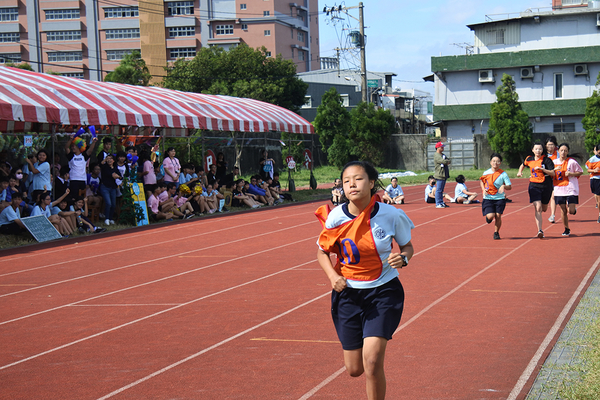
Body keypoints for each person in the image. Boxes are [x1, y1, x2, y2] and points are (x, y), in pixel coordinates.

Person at [315, 161, 414, 400]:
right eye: (347, 180)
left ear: (371, 183)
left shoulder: (391, 215)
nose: (352, 184)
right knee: (354, 369)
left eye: (358, 179)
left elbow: (407, 247)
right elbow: (322, 252)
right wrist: (333, 276)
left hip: (383, 292)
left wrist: (403, 258)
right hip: (348, 293)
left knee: (371, 362)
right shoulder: (336, 217)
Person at [517, 141, 556, 238]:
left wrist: (543, 170)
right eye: (536, 149)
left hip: (546, 186)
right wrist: (519, 172)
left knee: (544, 208)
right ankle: (540, 230)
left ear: (543, 150)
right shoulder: (529, 159)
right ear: (532, 150)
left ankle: (541, 223)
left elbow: (553, 173)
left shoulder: (547, 160)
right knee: (538, 207)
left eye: (540, 149)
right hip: (534, 185)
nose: (538, 151)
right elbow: (523, 164)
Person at [552, 143, 583, 237]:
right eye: (561, 150)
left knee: (571, 210)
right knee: (563, 210)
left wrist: (571, 174)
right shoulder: (554, 162)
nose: (563, 152)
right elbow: (550, 172)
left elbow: (580, 172)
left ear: (568, 151)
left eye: (565, 150)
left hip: (570, 188)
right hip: (559, 188)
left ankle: (573, 210)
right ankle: (566, 229)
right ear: (558, 151)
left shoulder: (572, 162)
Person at [480, 153, 512, 240]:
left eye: (498, 161)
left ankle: (496, 232)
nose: (495, 163)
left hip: (500, 199)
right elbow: (482, 181)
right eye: (494, 161)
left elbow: (509, 186)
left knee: (498, 215)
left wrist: (503, 186)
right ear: (490, 162)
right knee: (491, 216)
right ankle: (488, 218)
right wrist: (483, 189)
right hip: (488, 198)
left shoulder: (503, 174)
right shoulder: (486, 173)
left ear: (500, 163)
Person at [65, 134, 98, 200]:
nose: (72, 147)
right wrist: (70, 140)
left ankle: (82, 210)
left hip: (82, 180)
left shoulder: (84, 156)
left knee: (81, 198)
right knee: (73, 198)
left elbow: (90, 150)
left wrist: (94, 142)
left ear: (79, 146)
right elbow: (66, 148)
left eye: (74, 146)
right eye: (72, 146)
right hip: (73, 180)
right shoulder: (71, 156)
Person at [99, 154, 122, 226]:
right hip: (105, 187)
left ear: (113, 160)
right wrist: (105, 159)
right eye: (107, 158)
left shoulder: (115, 168)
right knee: (108, 203)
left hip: (113, 188)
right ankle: (107, 218)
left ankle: (111, 218)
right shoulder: (104, 167)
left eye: (110, 159)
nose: (109, 160)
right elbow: (101, 164)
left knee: (113, 204)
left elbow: (120, 177)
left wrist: (118, 176)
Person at [433, 142, 451, 208]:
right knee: (439, 189)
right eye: (441, 147)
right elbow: (444, 161)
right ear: (438, 147)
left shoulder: (442, 155)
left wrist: (447, 161)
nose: (443, 148)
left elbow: (448, 160)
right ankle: (438, 203)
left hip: (444, 174)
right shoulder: (437, 155)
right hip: (440, 174)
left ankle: (441, 202)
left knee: (441, 190)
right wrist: (446, 161)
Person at [585, 143, 600, 223]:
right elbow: (588, 169)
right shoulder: (592, 159)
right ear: (597, 151)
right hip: (596, 179)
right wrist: (594, 170)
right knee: (598, 198)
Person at [545, 136, 559, 223]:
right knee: (552, 196)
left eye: (552, 145)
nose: (550, 147)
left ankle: (570, 205)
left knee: (556, 196)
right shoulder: (543, 154)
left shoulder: (558, 153)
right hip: (548, 178)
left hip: (558, 177)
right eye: (548, 145)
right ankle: (552, 215)